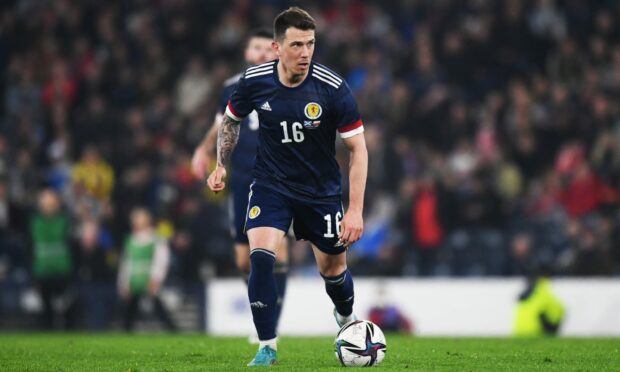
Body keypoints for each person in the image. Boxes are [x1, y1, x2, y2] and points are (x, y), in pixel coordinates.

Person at [207, 7, 368, 366]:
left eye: (310, 43)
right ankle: (267, 346)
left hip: (320, 192)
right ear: (277, 48)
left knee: (333, 272)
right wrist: (221, 165)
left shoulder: (333, 88)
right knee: (260, 259)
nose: (306, 52)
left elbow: (358, 149)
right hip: (270, 185)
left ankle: (345, 318)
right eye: (297, 44)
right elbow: (230, 122)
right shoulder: (254, 81)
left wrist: (354, 209)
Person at [192, 29, 289, 340]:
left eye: (266, 48)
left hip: (277, 176)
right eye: (255, 48)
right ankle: (264, 310)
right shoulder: (232, 87)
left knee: (275, 249)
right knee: (242, 258)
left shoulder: (289, 83)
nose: (261, 53)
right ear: (248, 53)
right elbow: (223, 124)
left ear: (276, 52)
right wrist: (204, 149)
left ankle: (271, 325)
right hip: (242, 177)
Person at [117, 207, 176, 331]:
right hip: (135, 279)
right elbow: (126, 263)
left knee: (157, 306)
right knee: (130, 309)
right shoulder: (130, 240)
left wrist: (156, 278)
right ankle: (126, 332)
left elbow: (161, 260)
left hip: (148, 278)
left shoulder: (155, 238)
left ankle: (172, 330)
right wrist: (124, 282)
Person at [30, 189, 77, 329]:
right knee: (45, 310)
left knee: (67, 307)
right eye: (45, 203)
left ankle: (70, 342)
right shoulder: (34, 223)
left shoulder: (66, 221)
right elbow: (29, 248)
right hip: (42, 271)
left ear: (57, 204)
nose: (48, 206)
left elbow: (73, 246)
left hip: (62, 271)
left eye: (51, 203)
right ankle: (46, 338)